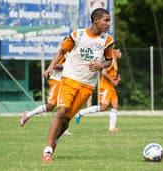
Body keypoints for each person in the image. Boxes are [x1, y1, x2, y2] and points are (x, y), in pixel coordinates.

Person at [41, 8, 114, 162]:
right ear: (96, 20)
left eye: (109, 20)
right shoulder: (78, 35)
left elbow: (109, 60)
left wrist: (101, 65)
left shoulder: (107, 40)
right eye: (106, 20)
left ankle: (53, 143)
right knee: (61, 111)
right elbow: (61, 51)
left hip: (87, 85)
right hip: (69, 78)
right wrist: (51, 67)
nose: (109, 23)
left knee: (67, 119)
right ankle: (47, 150)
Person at [19, 56, 72, 135]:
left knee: (65, 106)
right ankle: (28, 114)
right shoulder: (64, 53)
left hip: (65, 81)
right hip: (56, 81)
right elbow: (55, 65)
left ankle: (63, 129)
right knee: (50, 106)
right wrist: (66, 66)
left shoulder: (74, 53)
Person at [75, 49, 122, 132]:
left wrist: (116, 80)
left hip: (110, 87)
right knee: (103, 107)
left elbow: (110, 74)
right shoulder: (111, 62)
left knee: (115, 105)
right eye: (119, 52)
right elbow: (104, 72)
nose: (121, 53)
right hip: (105, 87)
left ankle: (112, 128)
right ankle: (81, 113)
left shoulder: (115, 62)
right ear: (115, 53)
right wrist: (112, 81)